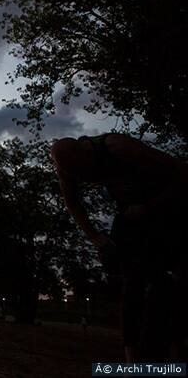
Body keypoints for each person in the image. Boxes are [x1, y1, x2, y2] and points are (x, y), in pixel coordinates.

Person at [51, 134, 188, 361]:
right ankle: (131, 359)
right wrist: (96, 238)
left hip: (172, 208)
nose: (84, 178)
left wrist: (149, 206)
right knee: (132, 283)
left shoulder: (120, 148)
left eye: (84, 171)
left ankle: (178, 347)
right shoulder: (67, 167)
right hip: (131, 216)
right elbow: (73, 204)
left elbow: (183, 174)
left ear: (86, 151)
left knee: (176, 283)